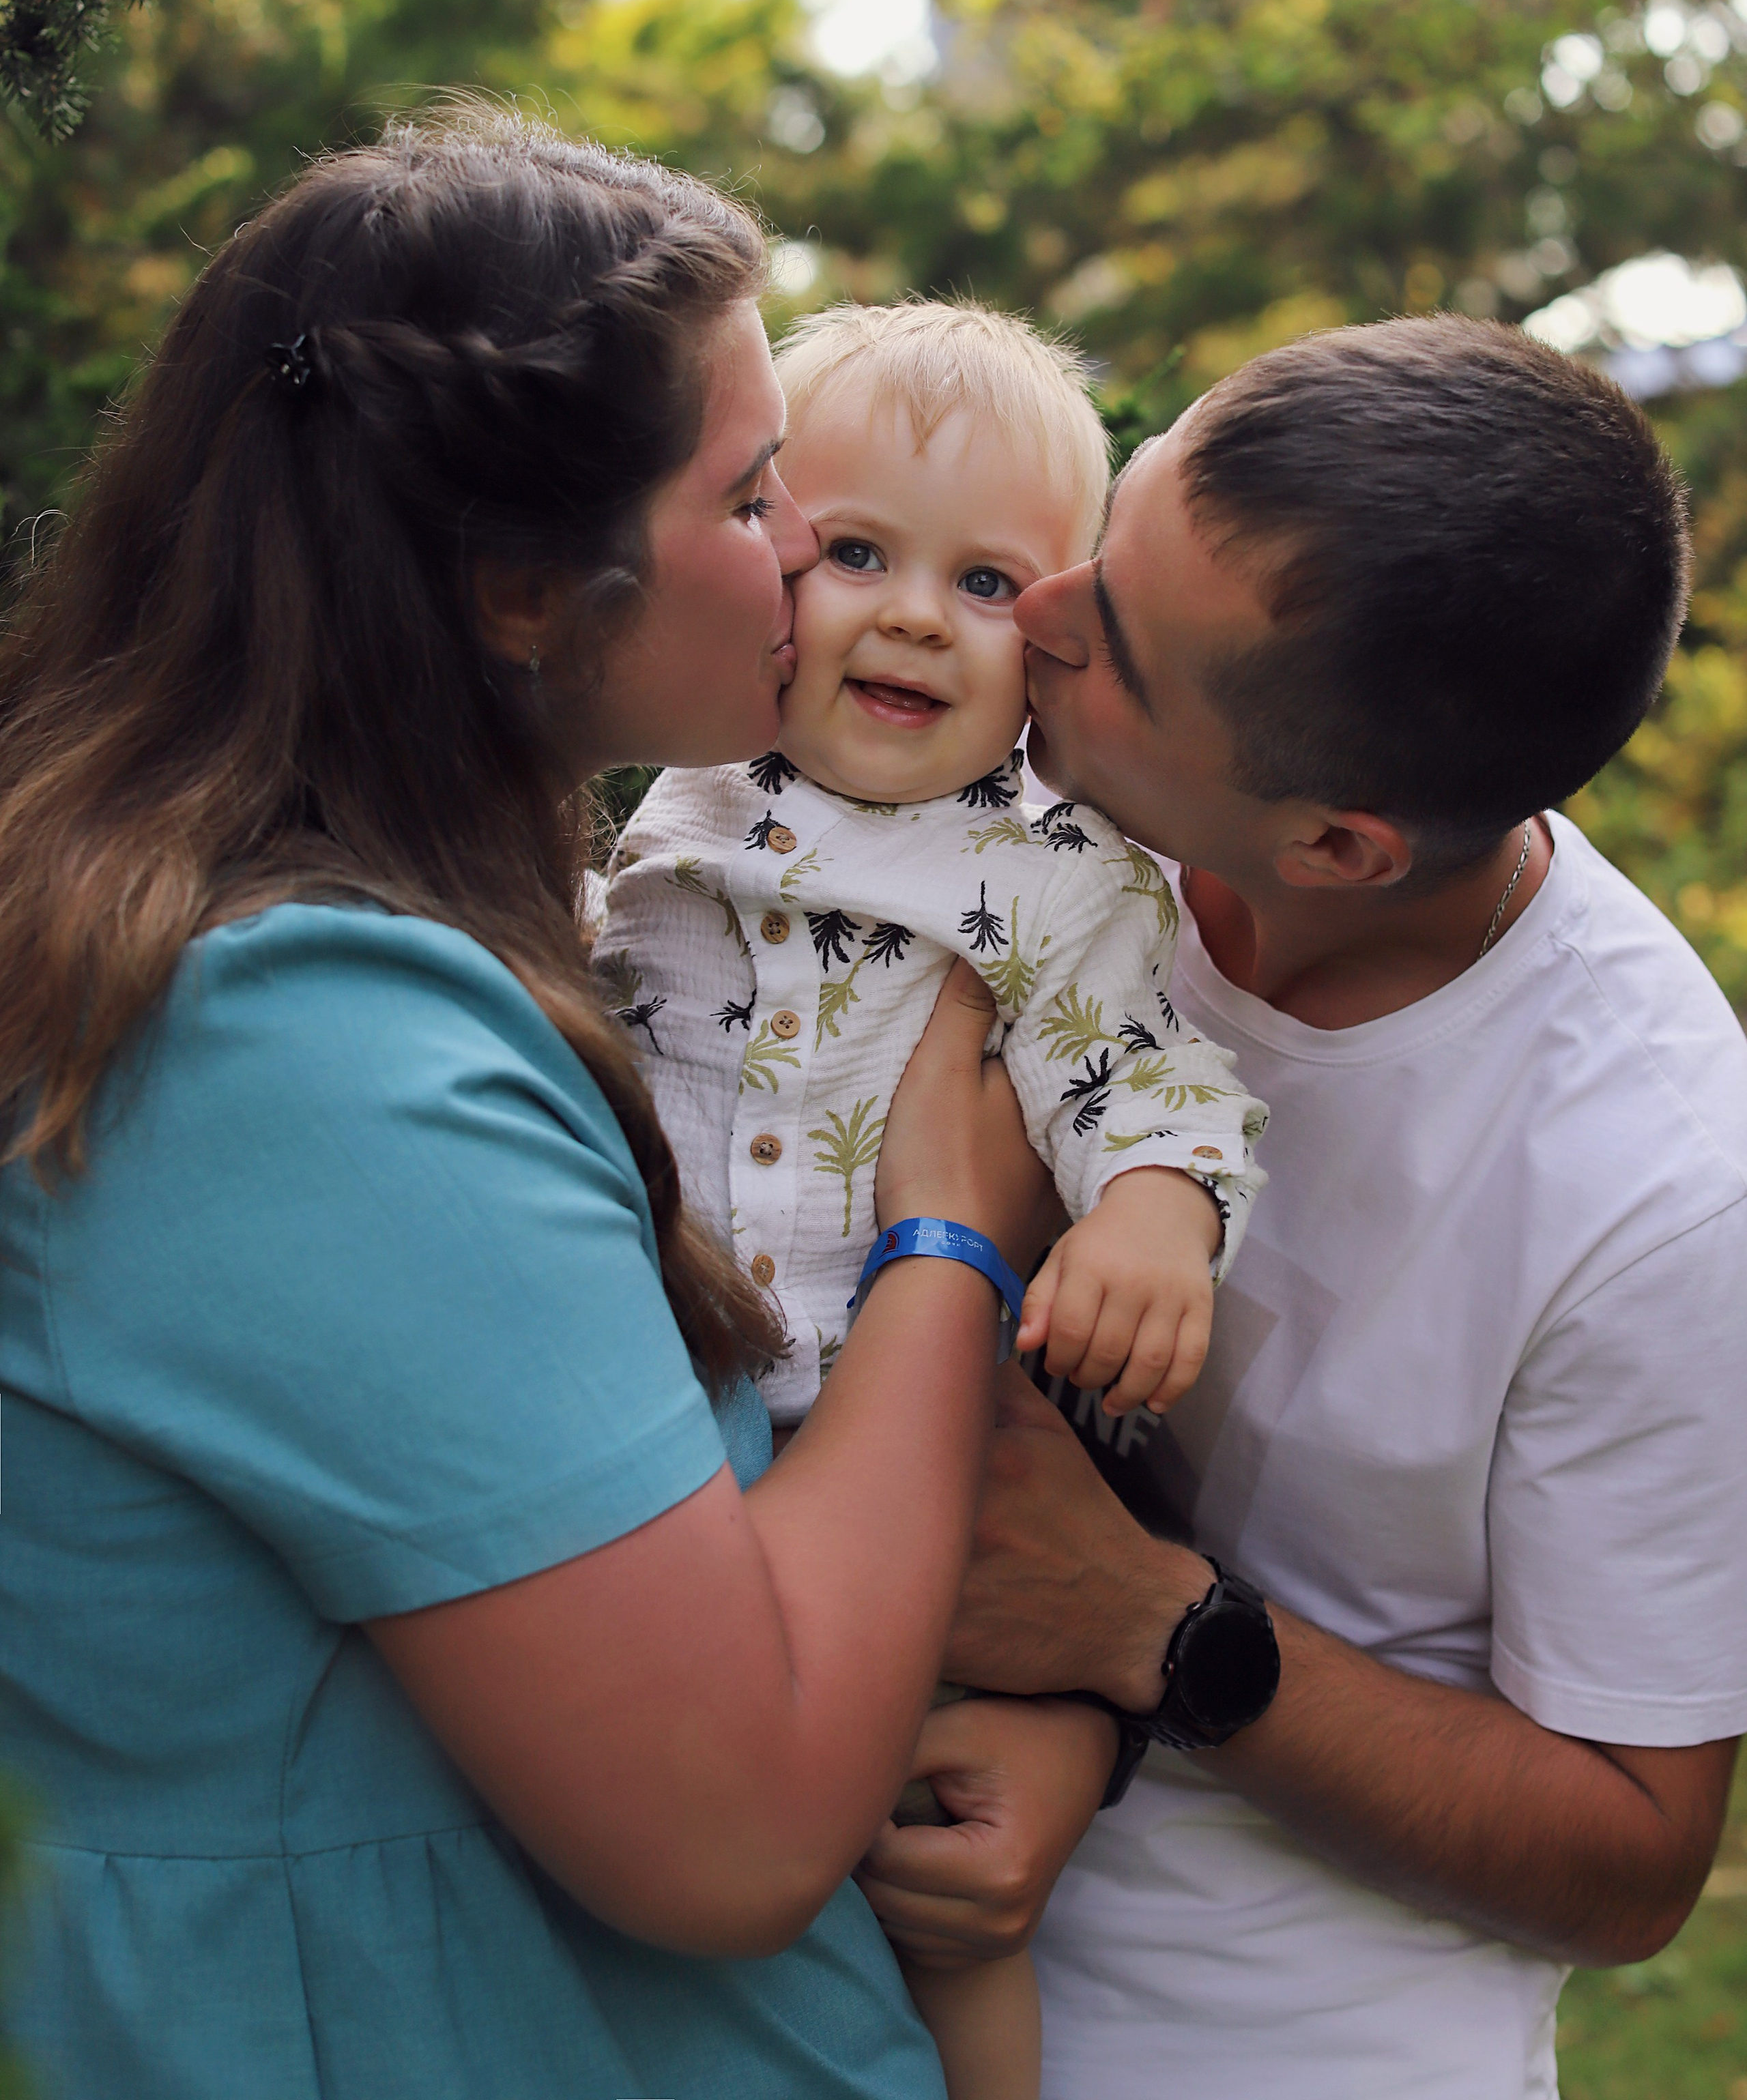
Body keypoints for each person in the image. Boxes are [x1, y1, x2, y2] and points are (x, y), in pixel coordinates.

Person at [0, 114, 1108, 2100]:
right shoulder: (298, 1053)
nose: (804, 549)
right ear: (526, 588)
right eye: (758, 491)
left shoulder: (379, 927)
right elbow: (739, 1825)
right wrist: (954, 1236)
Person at [856, 317, 1747, 2100]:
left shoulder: (1657, 1188)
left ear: (1341, 845)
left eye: (1110, 647)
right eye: (1103, 542)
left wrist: (1150, 1629)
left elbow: (1635, 1857)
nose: (1034, 616)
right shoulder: (1033, 812)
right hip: (829, 1957)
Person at [596, 299, 1269, 2100]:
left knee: (945, 1895)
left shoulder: (1055, 878)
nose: (909, 613)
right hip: (678, 1432)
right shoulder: (682, 803)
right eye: (858, 554)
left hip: (920, 1474)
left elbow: (1150, 1078)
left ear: (1048, 640)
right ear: (764, 563)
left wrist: (1149, 1214)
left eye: (985, 585)